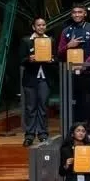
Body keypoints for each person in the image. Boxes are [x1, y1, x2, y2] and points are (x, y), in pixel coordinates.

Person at [57, 4, 90, 123]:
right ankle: (72, 134)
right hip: (70, 75)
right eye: (74, 12)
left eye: (80, 12)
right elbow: (59, 53)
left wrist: (84, 65)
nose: (77, 14)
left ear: (85, 13)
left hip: (89, 74)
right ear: (71, 14)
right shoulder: (66, 31)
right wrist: (68, 46)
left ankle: (89, 132)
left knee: (89, 105)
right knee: (72, 104)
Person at [20, 17, 52, 146]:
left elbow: (56, 58)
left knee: (43, 107)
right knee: (30, 108)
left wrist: (51, 60)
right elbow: (20, 60)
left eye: (43, 25)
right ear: (34, 27)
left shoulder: (50, 40)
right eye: (38, 25)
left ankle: (43, 134)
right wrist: (29, 59)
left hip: (45, 78)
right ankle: (29, 135)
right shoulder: (26, 41)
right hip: (30, 78)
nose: (41, 27)